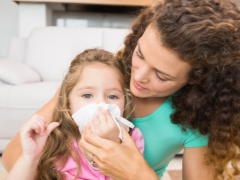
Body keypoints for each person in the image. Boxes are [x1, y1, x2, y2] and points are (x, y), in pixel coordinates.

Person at [3, 0, 240, 179]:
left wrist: (137, 173)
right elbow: (13, 157)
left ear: (198, 79)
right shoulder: (101, 77)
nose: (138, 76)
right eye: (140, 53)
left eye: (161, 75)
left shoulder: (198, 122)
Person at [4, 49, 144, 180]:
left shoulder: (132, 140)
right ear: (68, 102)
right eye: (87, 95)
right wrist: (30, 157)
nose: (101, 105)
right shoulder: (54, 139)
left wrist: (115, 144)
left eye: (113, 96)